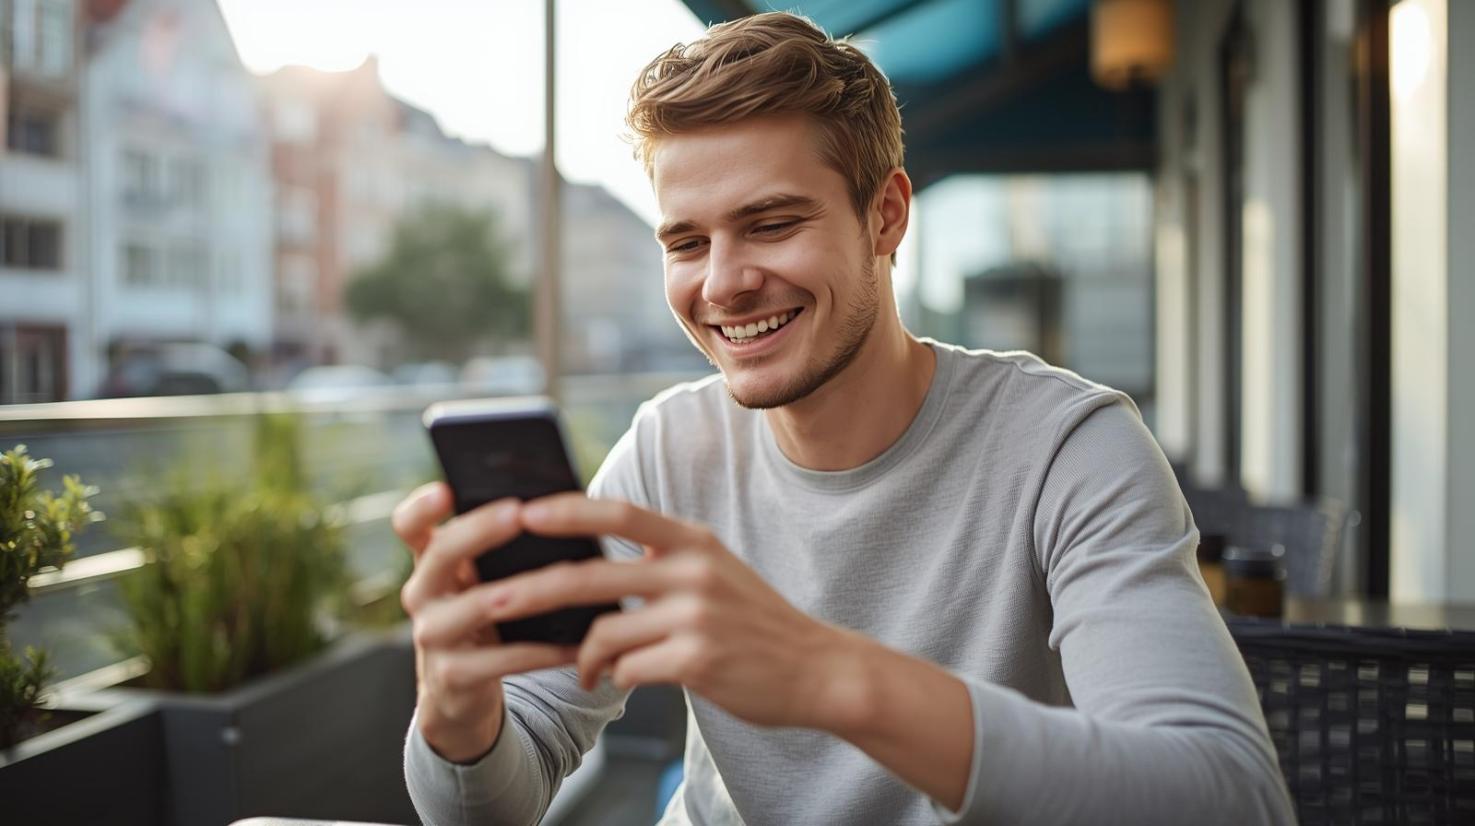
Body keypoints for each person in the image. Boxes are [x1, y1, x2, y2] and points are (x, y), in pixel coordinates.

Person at [396, 12, 1293, 825]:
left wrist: (824, 675)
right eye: (686, 241)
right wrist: (458, 719)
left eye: (772, 223)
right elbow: (491, 807)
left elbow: (1229, 798)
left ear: (885, 216)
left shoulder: (1067, 447)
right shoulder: (667, 452)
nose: (722, 283)